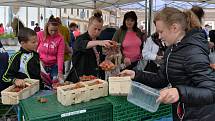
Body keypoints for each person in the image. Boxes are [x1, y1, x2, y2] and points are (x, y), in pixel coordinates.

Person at [120, 7, 215, 121]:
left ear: (174, 28)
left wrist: (179, 92)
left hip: (199, 116)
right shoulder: (171, 49)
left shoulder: (193, 51)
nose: (159, 37)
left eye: (161, 32)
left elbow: (211, 91)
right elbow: (162, 78)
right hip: (182, 112)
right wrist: (136, 74)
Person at [71, 10, 112, 80]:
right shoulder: (80, 38)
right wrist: (99, 42)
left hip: (95, 77)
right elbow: (83, 44)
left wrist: (108, 57)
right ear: (89, 26)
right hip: (80, 78)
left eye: (99, 30)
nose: (96, 32)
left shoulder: (99, 40)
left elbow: (99, 60)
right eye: (95, 28)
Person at [37, 15, 65, 82]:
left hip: (54, 65)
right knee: (41, 82)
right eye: (51, 30)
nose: (53, 33)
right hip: (41, 64)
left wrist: (60, 71)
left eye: (55, 30)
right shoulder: (40, 35)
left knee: (55, 81)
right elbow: (34, 49)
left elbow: (60, 55)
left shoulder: (60, 38)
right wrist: (38, 60)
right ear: (47, 27)